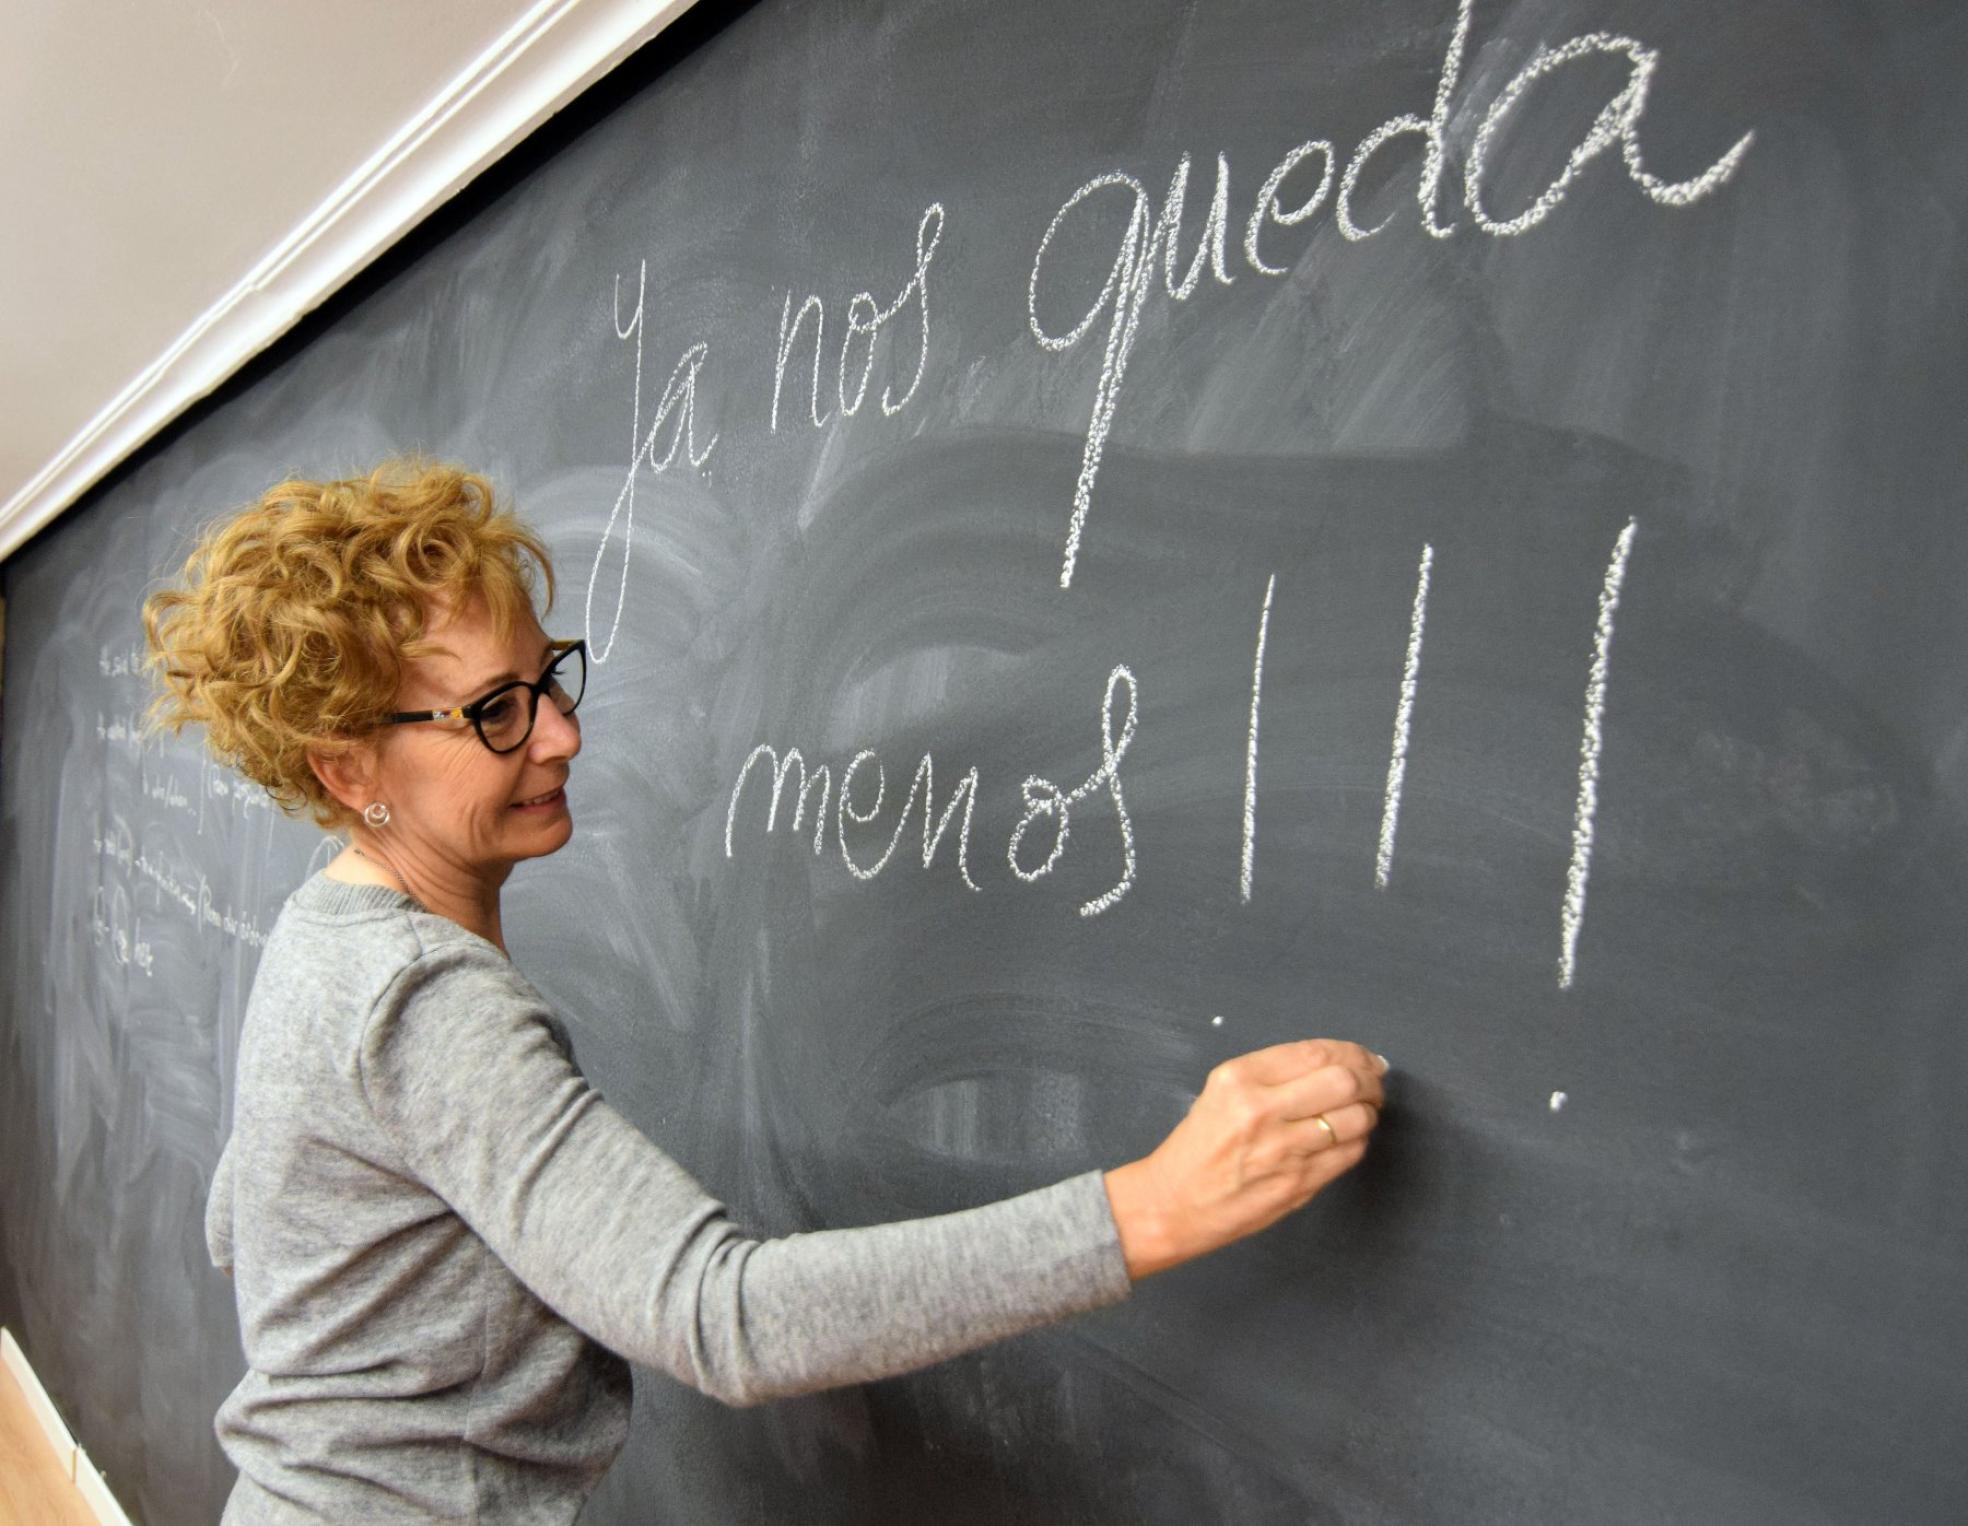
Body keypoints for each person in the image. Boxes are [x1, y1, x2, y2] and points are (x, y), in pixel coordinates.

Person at [143, 459, 1387, 1523]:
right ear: (349, 761)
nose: (564, 733)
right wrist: (1156, 1203)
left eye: (550, 676)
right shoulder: (424, 1001)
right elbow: (717, 1314)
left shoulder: (323, 934)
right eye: (497, 711)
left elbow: (239, 1216)